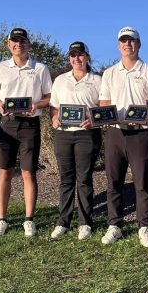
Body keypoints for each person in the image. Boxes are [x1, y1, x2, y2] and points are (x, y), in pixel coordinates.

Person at [0, 28, 52, 237]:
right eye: (14, 41)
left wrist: (36, 105)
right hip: (6, 124)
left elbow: (50, 97)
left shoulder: (40, 68)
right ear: (8, 45)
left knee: (28, 173)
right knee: (5, 172)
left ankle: (29, 219)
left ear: (28, 44)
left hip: (30, 125)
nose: (18, 45)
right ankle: (2, 219)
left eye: (22, 41)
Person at [98, 27, 148, 247]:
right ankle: (114, 225)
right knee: (114, 181)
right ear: (118, 45)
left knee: (142, 182)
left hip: (141, 134)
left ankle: (144, 226)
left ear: (138, 44)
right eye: (123, 41)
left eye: (131, 41)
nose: (127, 44)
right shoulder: (110, 73)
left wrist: (142, 116)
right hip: (115, 133)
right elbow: (104, 103)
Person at [49, 41, 102, 241]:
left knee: (85, 180)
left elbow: (104, 107)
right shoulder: (60, 80)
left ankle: (85, 223)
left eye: (80, 55)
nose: (76, 59)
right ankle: (63, 222)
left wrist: (94, 120)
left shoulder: (97, 80)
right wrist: (54, 117)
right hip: (63, 134)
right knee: (66, 179)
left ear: (87, 57)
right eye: (73, 55)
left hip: (87, 135)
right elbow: (54, 106)